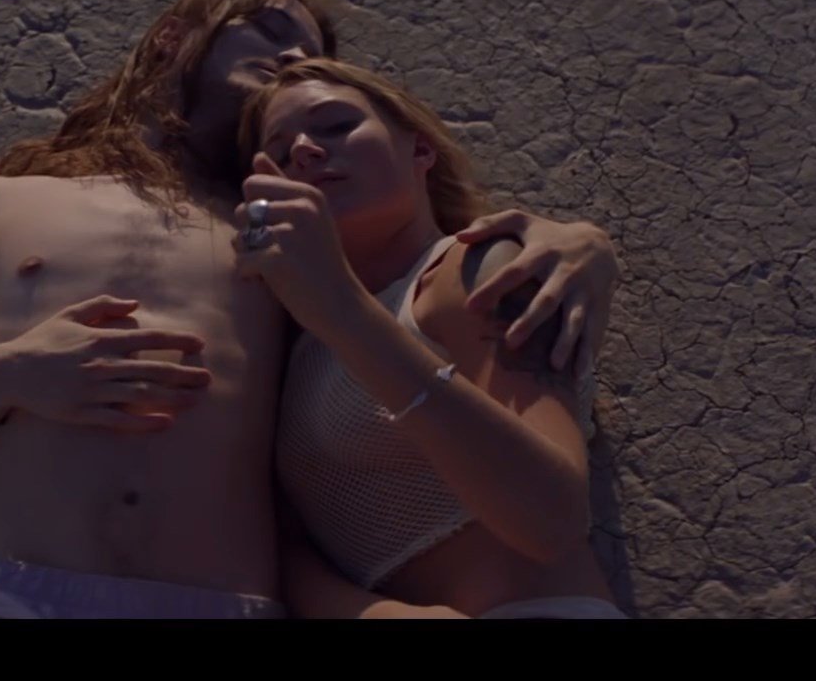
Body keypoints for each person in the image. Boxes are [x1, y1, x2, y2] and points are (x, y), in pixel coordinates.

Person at [0, 0, 623, 619]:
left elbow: (411, 300)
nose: (294, 57)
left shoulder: (294, 240)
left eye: (314, 56)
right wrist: (8, 375)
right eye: (271, 30)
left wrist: (580, 242)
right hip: (23, 597)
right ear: (171, 39)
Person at [236, 57, 623, 619]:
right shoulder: (299, 342)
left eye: (337, 125)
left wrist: (345, 312)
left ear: (420, 150)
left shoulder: (478, 270)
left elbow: (551, 520)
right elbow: (283, 547)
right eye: (280, 148)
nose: (304, 150)